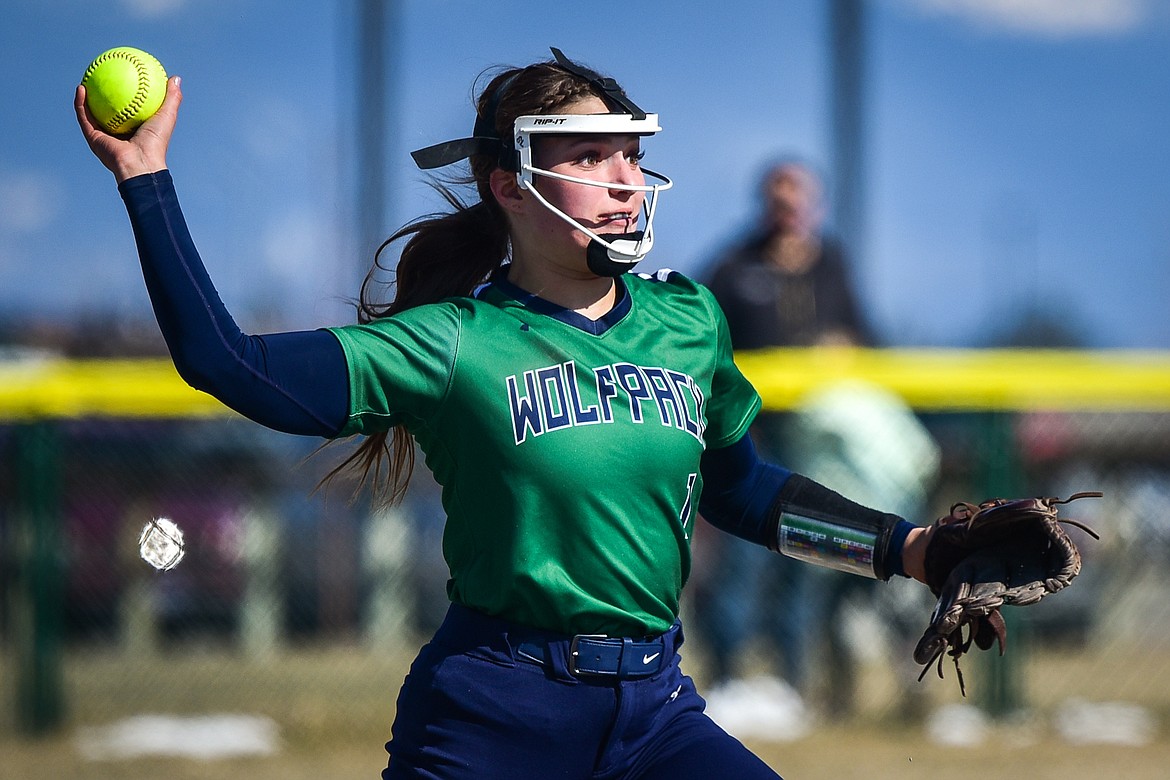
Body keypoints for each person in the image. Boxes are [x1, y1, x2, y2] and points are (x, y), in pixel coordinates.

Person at [76, 47, 939, 780]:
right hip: (497, 715)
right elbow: (229, 364)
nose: (624, 181)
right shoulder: (456, 341)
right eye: (590, 155)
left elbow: (743, 490)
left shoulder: (687, 318)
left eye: (629, 155)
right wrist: (145, 179)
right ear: (512, 185)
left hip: (656, 710)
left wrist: (909, 549)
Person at [697, 159, 875, 715]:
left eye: (799, 200)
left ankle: (794, 685)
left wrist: (845, 348)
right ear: (764, 206)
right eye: (779, 201)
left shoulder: (832, 263)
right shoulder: (732, 265)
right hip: (749, 430)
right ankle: (728, 680)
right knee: (744, 560)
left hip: (818, 431)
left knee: (807, 549)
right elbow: (697, 333)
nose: (789, 212)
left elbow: (867, 335)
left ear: (814, 205)